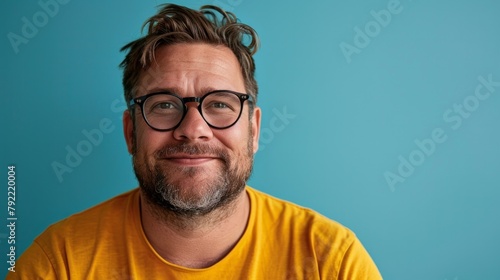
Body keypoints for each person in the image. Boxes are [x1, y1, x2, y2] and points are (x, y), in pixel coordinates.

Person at [8, 4, 382, 279]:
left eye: (220, 104)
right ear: (129, 132)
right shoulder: (58, 263)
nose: (193, 128)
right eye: (164, 105)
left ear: (253, 130)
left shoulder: (331, 261)